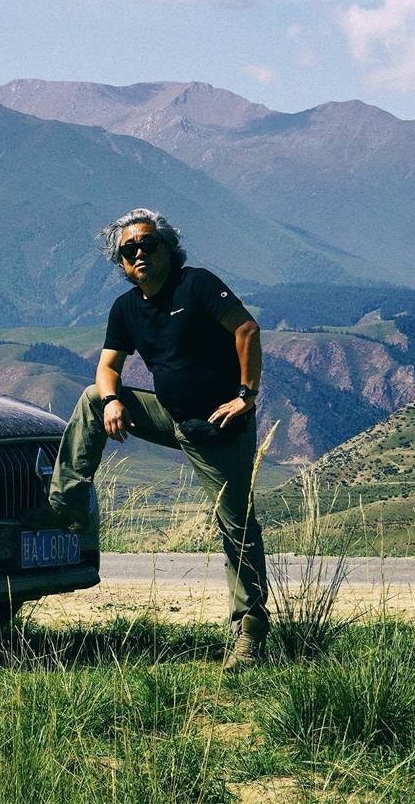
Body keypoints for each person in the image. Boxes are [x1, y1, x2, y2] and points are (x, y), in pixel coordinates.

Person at [25, 207, 271, 670]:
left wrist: (246, 395)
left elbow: (246, 329)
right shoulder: (127, 308)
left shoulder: (195, 284)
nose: (139, 253)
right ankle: (66, 507)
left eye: (148, 244)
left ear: (167, 249)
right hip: (168, 416)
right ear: (120, 263)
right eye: (128, 250)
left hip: (218, 425)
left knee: (236, 524)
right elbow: (107, 367)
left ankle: (250, 629)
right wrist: (114, 399)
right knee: (94, 399)